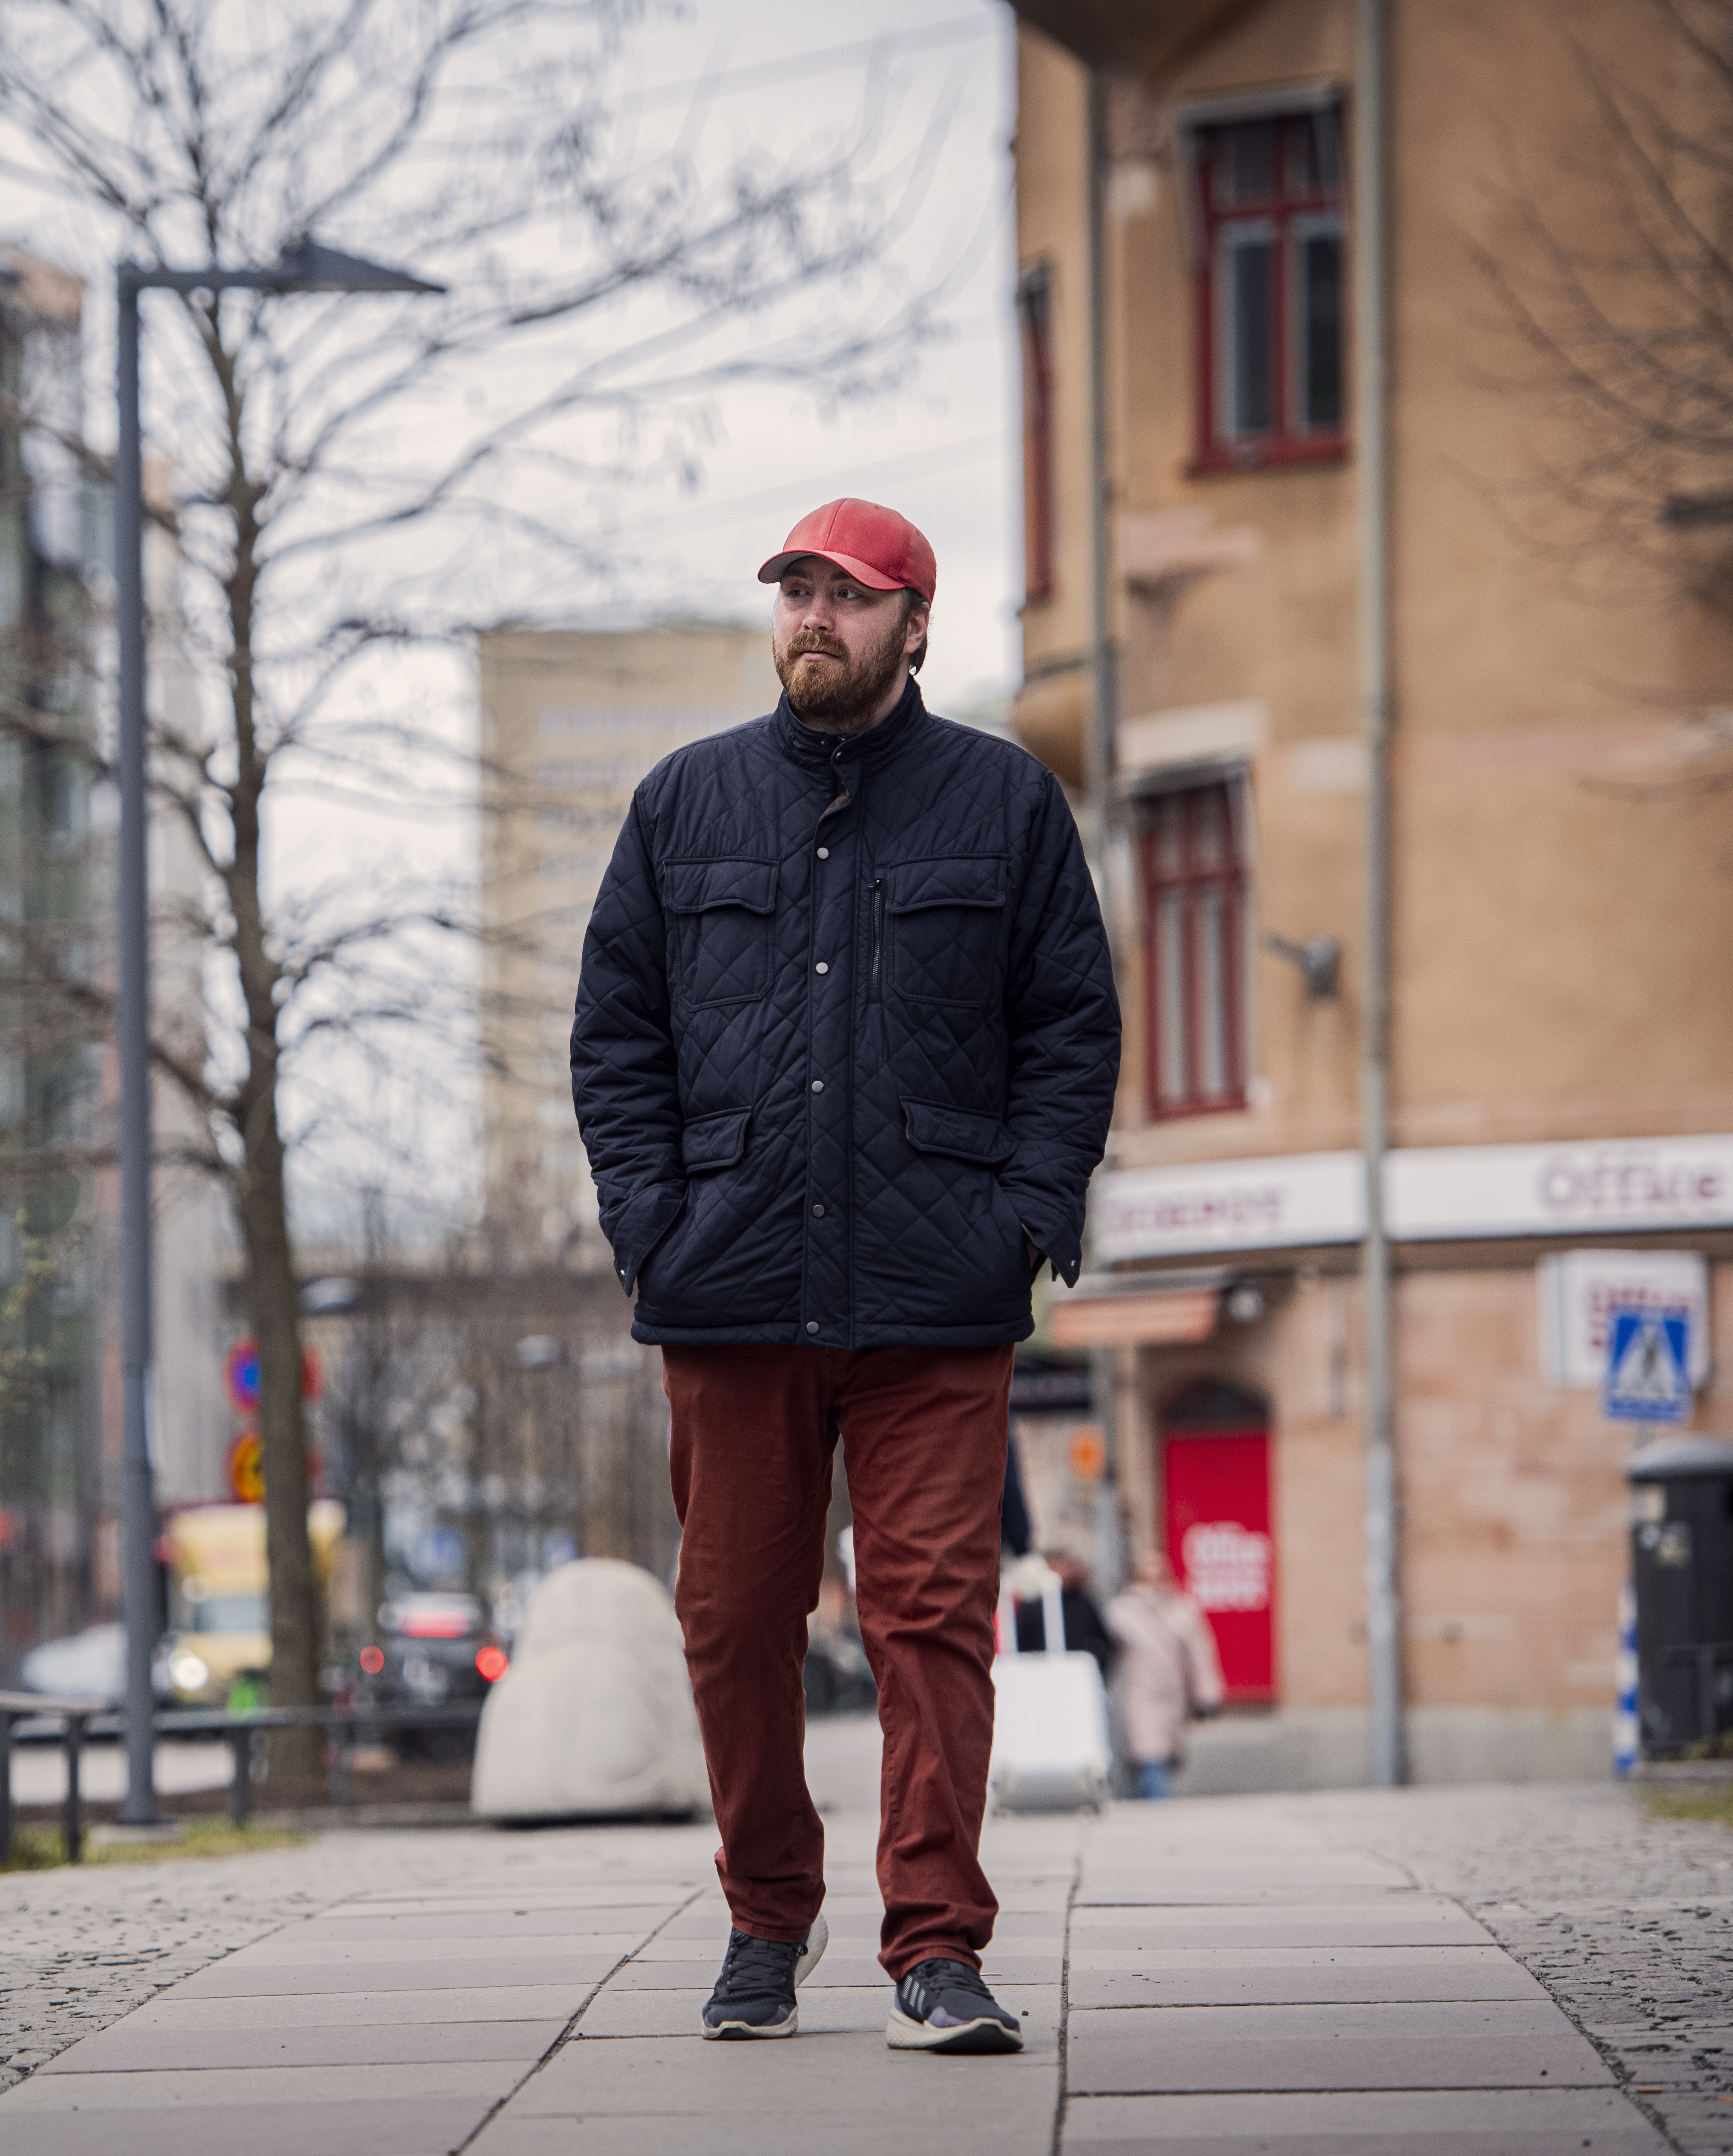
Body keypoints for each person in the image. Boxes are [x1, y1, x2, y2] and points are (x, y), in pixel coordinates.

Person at [571, 498, 1119, 2056]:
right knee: (735, 1618)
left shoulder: (1005, 801)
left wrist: (1022, 1211)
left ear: (915, 623)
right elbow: (617, 1034)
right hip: (729, 1284)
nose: (814, 615)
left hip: (936, 1291)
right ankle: (766, 1908)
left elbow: (1071, 1024)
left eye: (849, 594)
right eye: (797, 590)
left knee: (933, 1614)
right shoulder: (686, 803)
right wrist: (650, 1221)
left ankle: (937, 1941)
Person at [1106, 1546, 1224, 1801]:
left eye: (1160, 1566)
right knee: (1150, 1755)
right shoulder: (1122, 1612)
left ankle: (1147, 1805)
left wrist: (1207, 1696)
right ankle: (1156, 1810)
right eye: (1150, 1566)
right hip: (1137, 1696)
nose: (1156, 1572)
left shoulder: (1182, 1611)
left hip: (1173, 1696)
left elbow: (1200, 1656)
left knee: (1161, 1758)